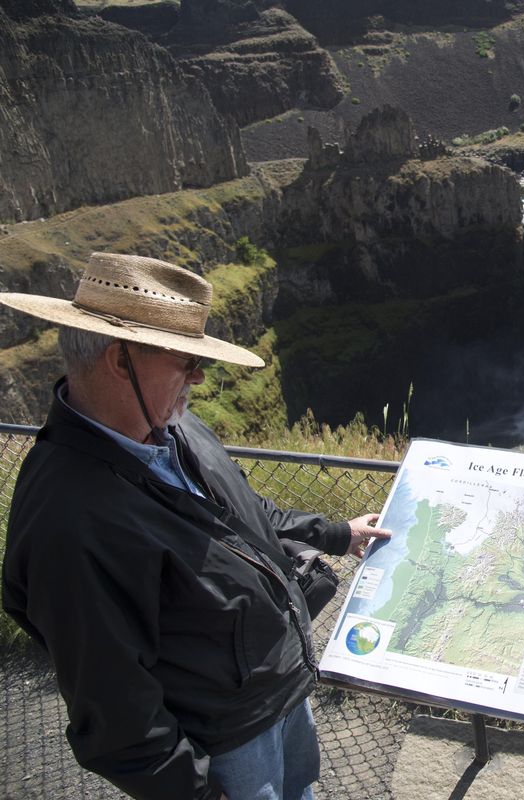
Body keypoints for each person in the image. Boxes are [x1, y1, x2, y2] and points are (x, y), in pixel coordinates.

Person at [1, 252, 392, 800]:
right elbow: (119, 716)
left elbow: (248, 516)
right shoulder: (69, 520)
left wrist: (336, 533)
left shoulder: (174, 427)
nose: (199, 376)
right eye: (185, 359)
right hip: (225, 743)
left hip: (281, 695)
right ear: (121, 360)